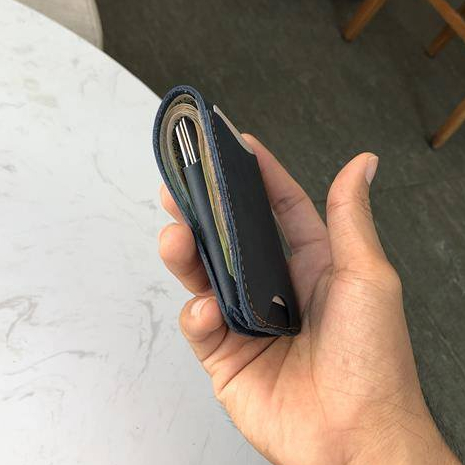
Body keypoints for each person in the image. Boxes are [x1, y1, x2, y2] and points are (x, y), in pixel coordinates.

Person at [158, 134, 460, 465]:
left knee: (189, 262)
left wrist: (373, 427)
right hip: (281, 356)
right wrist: (375, 430)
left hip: (281, 353)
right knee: (191, 259)